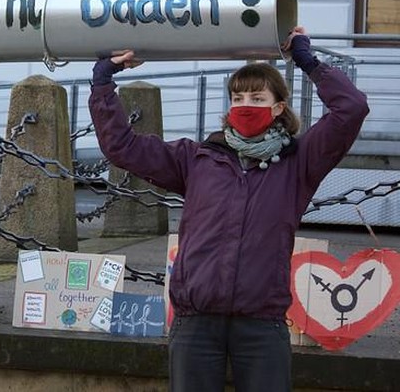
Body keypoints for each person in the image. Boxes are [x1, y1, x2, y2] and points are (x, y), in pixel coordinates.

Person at [88, 27, 369, 392]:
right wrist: (103, 83)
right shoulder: (196, 158)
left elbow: (352, 109)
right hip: (196, 323)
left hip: (261, 324)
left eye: (256, 96)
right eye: (238, 97)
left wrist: (307, 60)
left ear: (278, 107)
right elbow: (123, 147)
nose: (245, 105)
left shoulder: (299, 163)